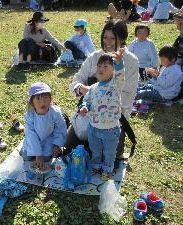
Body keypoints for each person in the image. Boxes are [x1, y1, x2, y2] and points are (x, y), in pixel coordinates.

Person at [66, 20, 139, 169]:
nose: (108, 42)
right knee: (68, 150)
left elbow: (128, 93)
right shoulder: (95, 57)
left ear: (123, 39)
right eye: (105, 37)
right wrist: (82, 89)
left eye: (113, 38)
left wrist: (104, 102)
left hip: (113, 121)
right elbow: (76, 81)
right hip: (88, 116)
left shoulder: (131, 61)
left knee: (110, 161)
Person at [79, 50, 124, 180]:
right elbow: (86, 100)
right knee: (96, 150)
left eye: (105, 66)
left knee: (109, 152)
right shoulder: (93, 87)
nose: (101, 69)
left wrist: (119, 62)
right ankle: (96, 166)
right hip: (93, 127)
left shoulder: (115, 84)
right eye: (99, 66)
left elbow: (120, 75)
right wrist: (84, 107)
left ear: (113, 69)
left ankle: (107, 169)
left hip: (111, 129)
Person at [21, 82, 67, 169]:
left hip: (48, 138)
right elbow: (31, 134)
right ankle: (25, 149)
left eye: (46, 97)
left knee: (47, 158)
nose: (42, 102)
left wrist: (56, 145)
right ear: (32, 102)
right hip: (34, 140)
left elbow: (61, 128)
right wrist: (38, 154)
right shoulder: (30, 115)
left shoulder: (55, 113)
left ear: (50, 99)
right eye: (38, 98)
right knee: (26, 156)